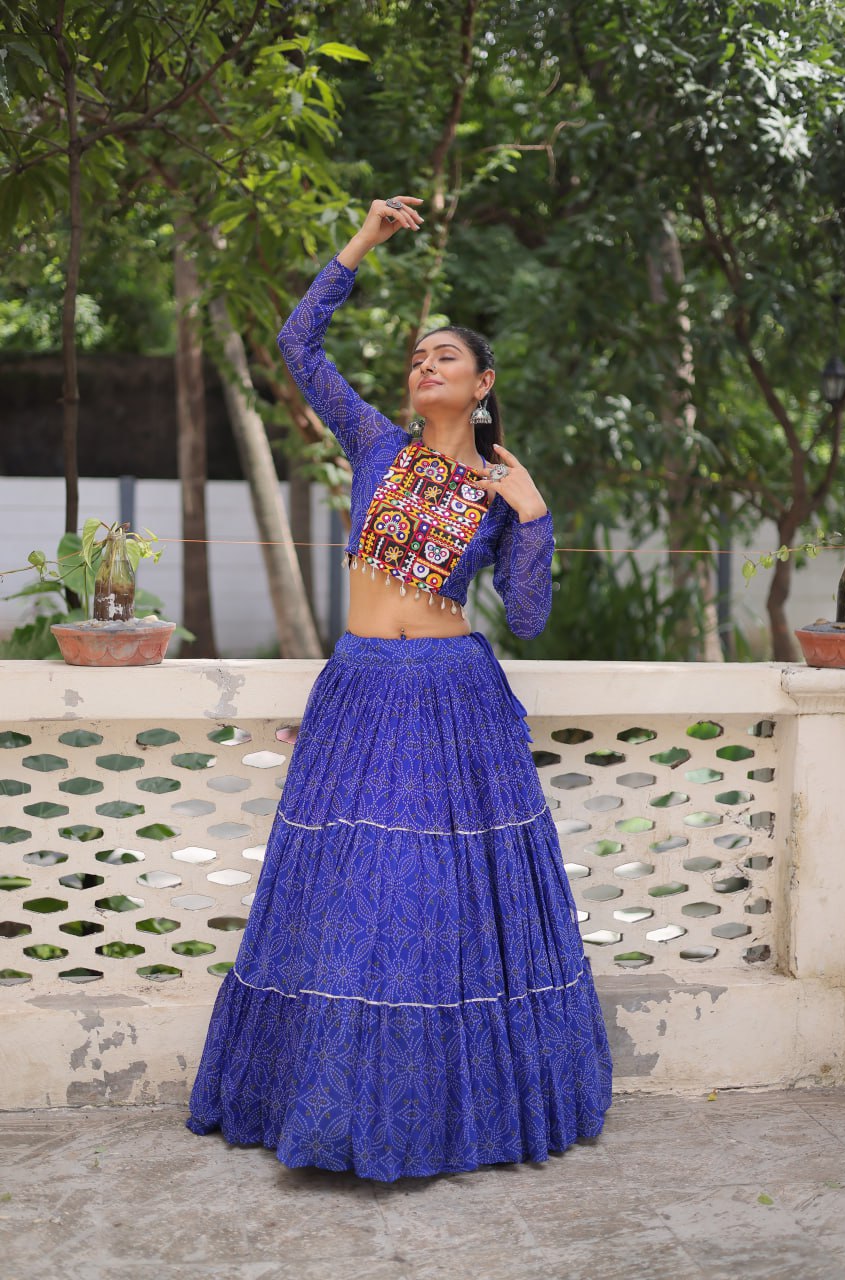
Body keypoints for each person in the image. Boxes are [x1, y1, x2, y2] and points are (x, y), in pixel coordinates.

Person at [186, 195, 612, 1181]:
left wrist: (537, 514)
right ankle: (332, 1104)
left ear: (483, 383)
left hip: (453, 694)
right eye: (417, 357)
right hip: (363, 686)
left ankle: (447, 1114)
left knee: (438, 899)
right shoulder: (377, 445)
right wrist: (364, 242)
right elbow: (298, 344)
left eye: (444, 357)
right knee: (353, 894)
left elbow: (533, 617)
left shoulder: (499, 492)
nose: (424, 366)